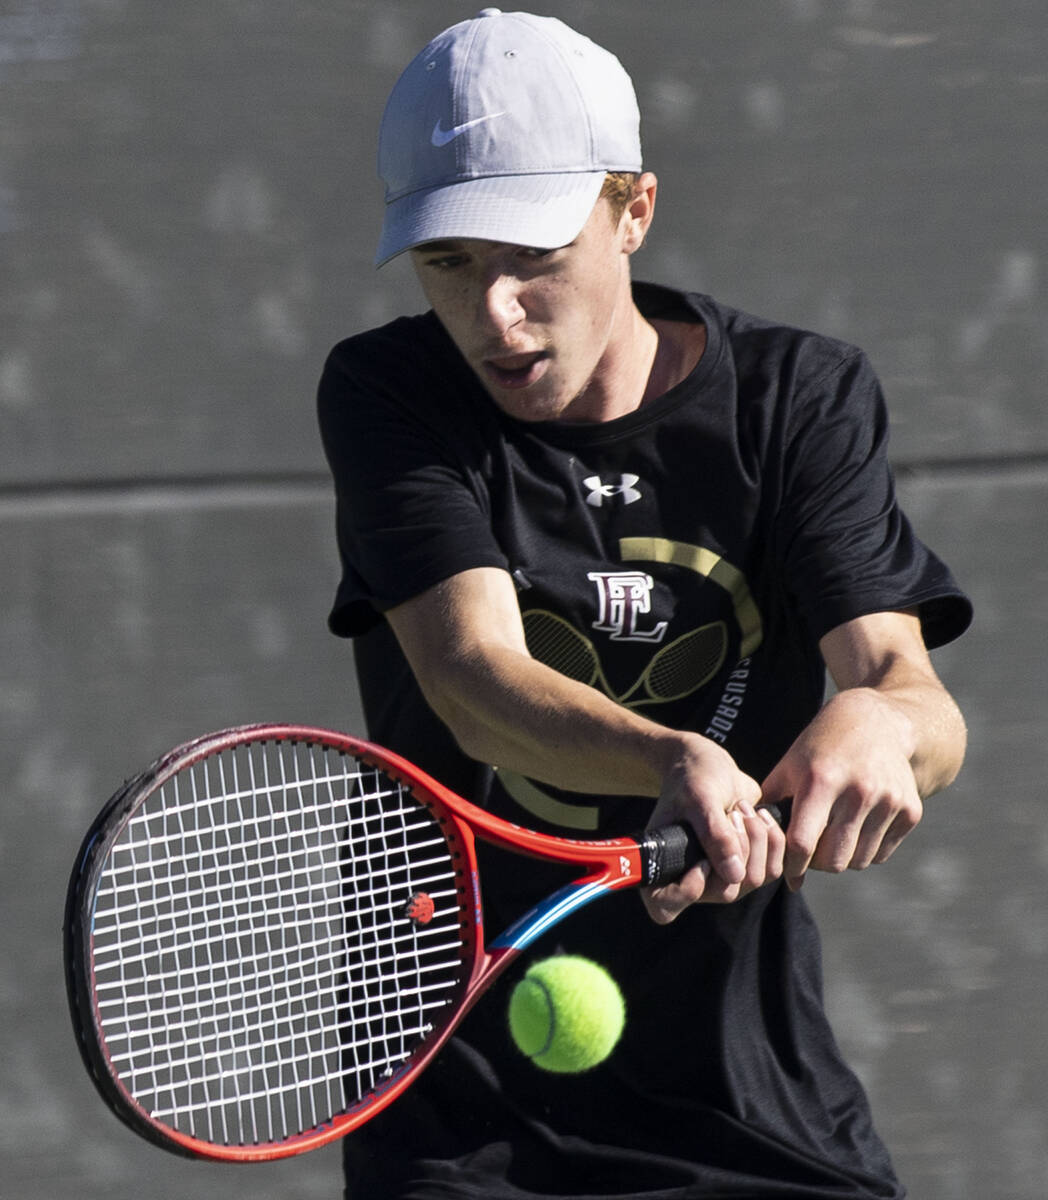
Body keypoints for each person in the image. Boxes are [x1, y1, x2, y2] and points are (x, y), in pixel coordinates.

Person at [317, 10, 972, 1198]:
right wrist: (674, 758)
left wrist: (882, 723)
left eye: (532, 256)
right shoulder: (390, 393)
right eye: (449, 262)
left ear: (634, 210)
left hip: (749, 1086)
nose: (493, 316)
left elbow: (910, 692)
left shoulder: (796, 399)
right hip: (462, 1115)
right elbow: (472, 678)